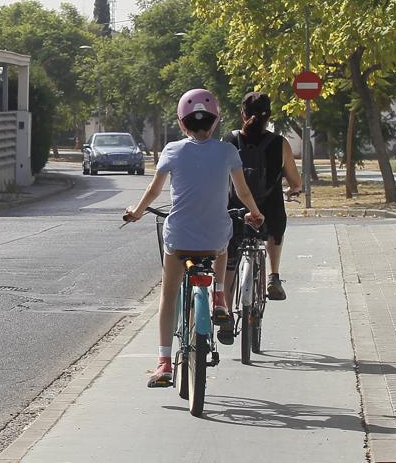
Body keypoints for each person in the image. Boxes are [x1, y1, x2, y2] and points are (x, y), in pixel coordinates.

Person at [124, 89, 264, 387]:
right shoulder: (228, 151)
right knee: (223, 241)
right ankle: (220, 297)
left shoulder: (172, 151)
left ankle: (163, 362)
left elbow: (153, 191)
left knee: (169, 294)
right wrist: (254, 212)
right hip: (214, 237)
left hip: (179, 238)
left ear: (181, 122)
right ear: (215, 122)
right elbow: (242, 192)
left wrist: (136, 212)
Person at [221, 92, 302, 346]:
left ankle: (224, 312)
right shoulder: (280, 144)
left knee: (230, 260)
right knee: (276, 229)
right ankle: (273, 277)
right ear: (269, 117)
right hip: (269, 212)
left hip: (236, 210)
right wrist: (293, 190)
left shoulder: (229, 140)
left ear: (243, 114)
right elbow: (295, 182)